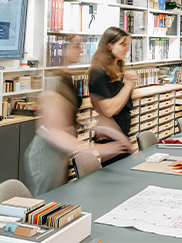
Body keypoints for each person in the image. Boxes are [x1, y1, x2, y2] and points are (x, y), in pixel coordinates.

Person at [25, 35, 130, 196]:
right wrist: (97, 148)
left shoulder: (65, 76)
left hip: (59, 153)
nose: (81, 50)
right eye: (76, 46)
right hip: (47, 154)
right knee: (48, 206)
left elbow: (66, 116)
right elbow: (54, 131)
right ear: (61, 49)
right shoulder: (52, 80)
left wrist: (91, 123)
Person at [89, 27, 137, 165]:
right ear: (110, 45)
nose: (126, 49)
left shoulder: (118, 70)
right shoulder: (98, 73)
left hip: (122, 136)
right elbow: (109, 110)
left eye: (127, 45)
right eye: (122, 44)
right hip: (110, 140)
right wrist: (128, 86)